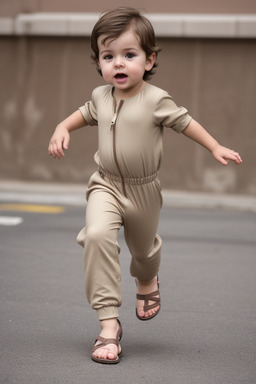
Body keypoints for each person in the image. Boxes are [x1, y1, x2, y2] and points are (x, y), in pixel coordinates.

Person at [48, 7, 242, 364]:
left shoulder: (155, 99)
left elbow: (186, 123)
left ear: (149, 60)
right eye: (108, 56)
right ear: (99, 62)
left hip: (144, 189)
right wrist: (62, 127)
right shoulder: (100, 97)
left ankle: (147, 278)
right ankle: (108, 326)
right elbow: (83, 114)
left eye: (129, 55)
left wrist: (215, 146)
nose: (118, 64)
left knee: (143, 250)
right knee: (96, 235)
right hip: (104, 184)